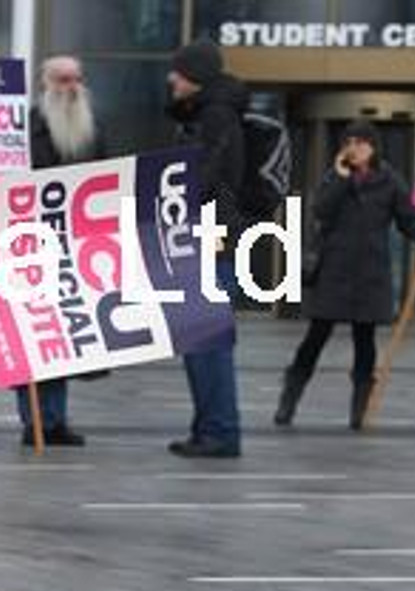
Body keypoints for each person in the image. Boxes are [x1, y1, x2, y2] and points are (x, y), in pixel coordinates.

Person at [275, 120, 415, 430]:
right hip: (334, 271)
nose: (354, 148)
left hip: (370, 273)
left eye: (361, 142)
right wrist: (339, 178)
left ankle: (360, 408)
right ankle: (290, 397)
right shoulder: (334, 177)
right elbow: (321, 210)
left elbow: (408, 219)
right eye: (349, 142)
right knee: (315, 336)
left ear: (373, 146)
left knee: (365, 341)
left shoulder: (390, 180)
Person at [13, 55, 109, 448]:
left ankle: (54, 420)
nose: (71, 86)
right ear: (46, 82)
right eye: (63, 79)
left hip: (77, 244)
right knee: (33, 331)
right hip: (30, 243)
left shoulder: (92, 127)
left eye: (76, 79)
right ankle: (34, 420)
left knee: (64, 335)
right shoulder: (27, 128)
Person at [165, 38, 245, 458]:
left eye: (178, 71)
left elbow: (206, 175)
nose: (171, 79)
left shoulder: (216, 116)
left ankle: (220, 432)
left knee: (208, 343)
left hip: (209, 239)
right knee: (199, 342)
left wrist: (170, 195)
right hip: (204, 238)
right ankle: (208, 429)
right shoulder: (206, 114)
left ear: (194, 75)